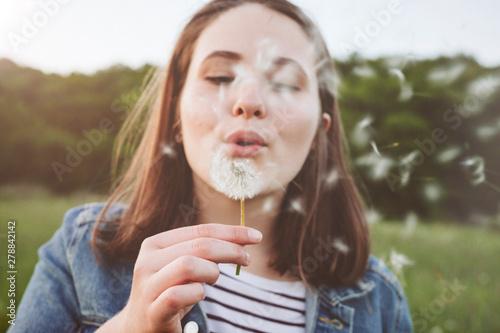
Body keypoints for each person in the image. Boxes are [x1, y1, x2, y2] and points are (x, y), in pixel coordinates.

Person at [10, 0, 413, 332]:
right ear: (176, 115)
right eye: (220, 75)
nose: (249, 100)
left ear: (320, 133)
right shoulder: (82, 251)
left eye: (287, 82)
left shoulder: (377, 301)